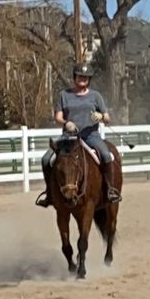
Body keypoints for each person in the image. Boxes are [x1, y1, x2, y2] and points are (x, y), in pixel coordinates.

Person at [36, 63, 119, 206]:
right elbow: (58, 118)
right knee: (45, 159)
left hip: (91, 136)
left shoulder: (96, 96)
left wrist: (100, 116)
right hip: (68, 137)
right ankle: (49, 193)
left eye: (86, 77)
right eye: (80, 76)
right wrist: (65, 123)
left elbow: (107, 118)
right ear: (75, 77)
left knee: (106, 155)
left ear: (89, 79)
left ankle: (110, 190)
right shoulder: (64, 95)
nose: (83, 79)